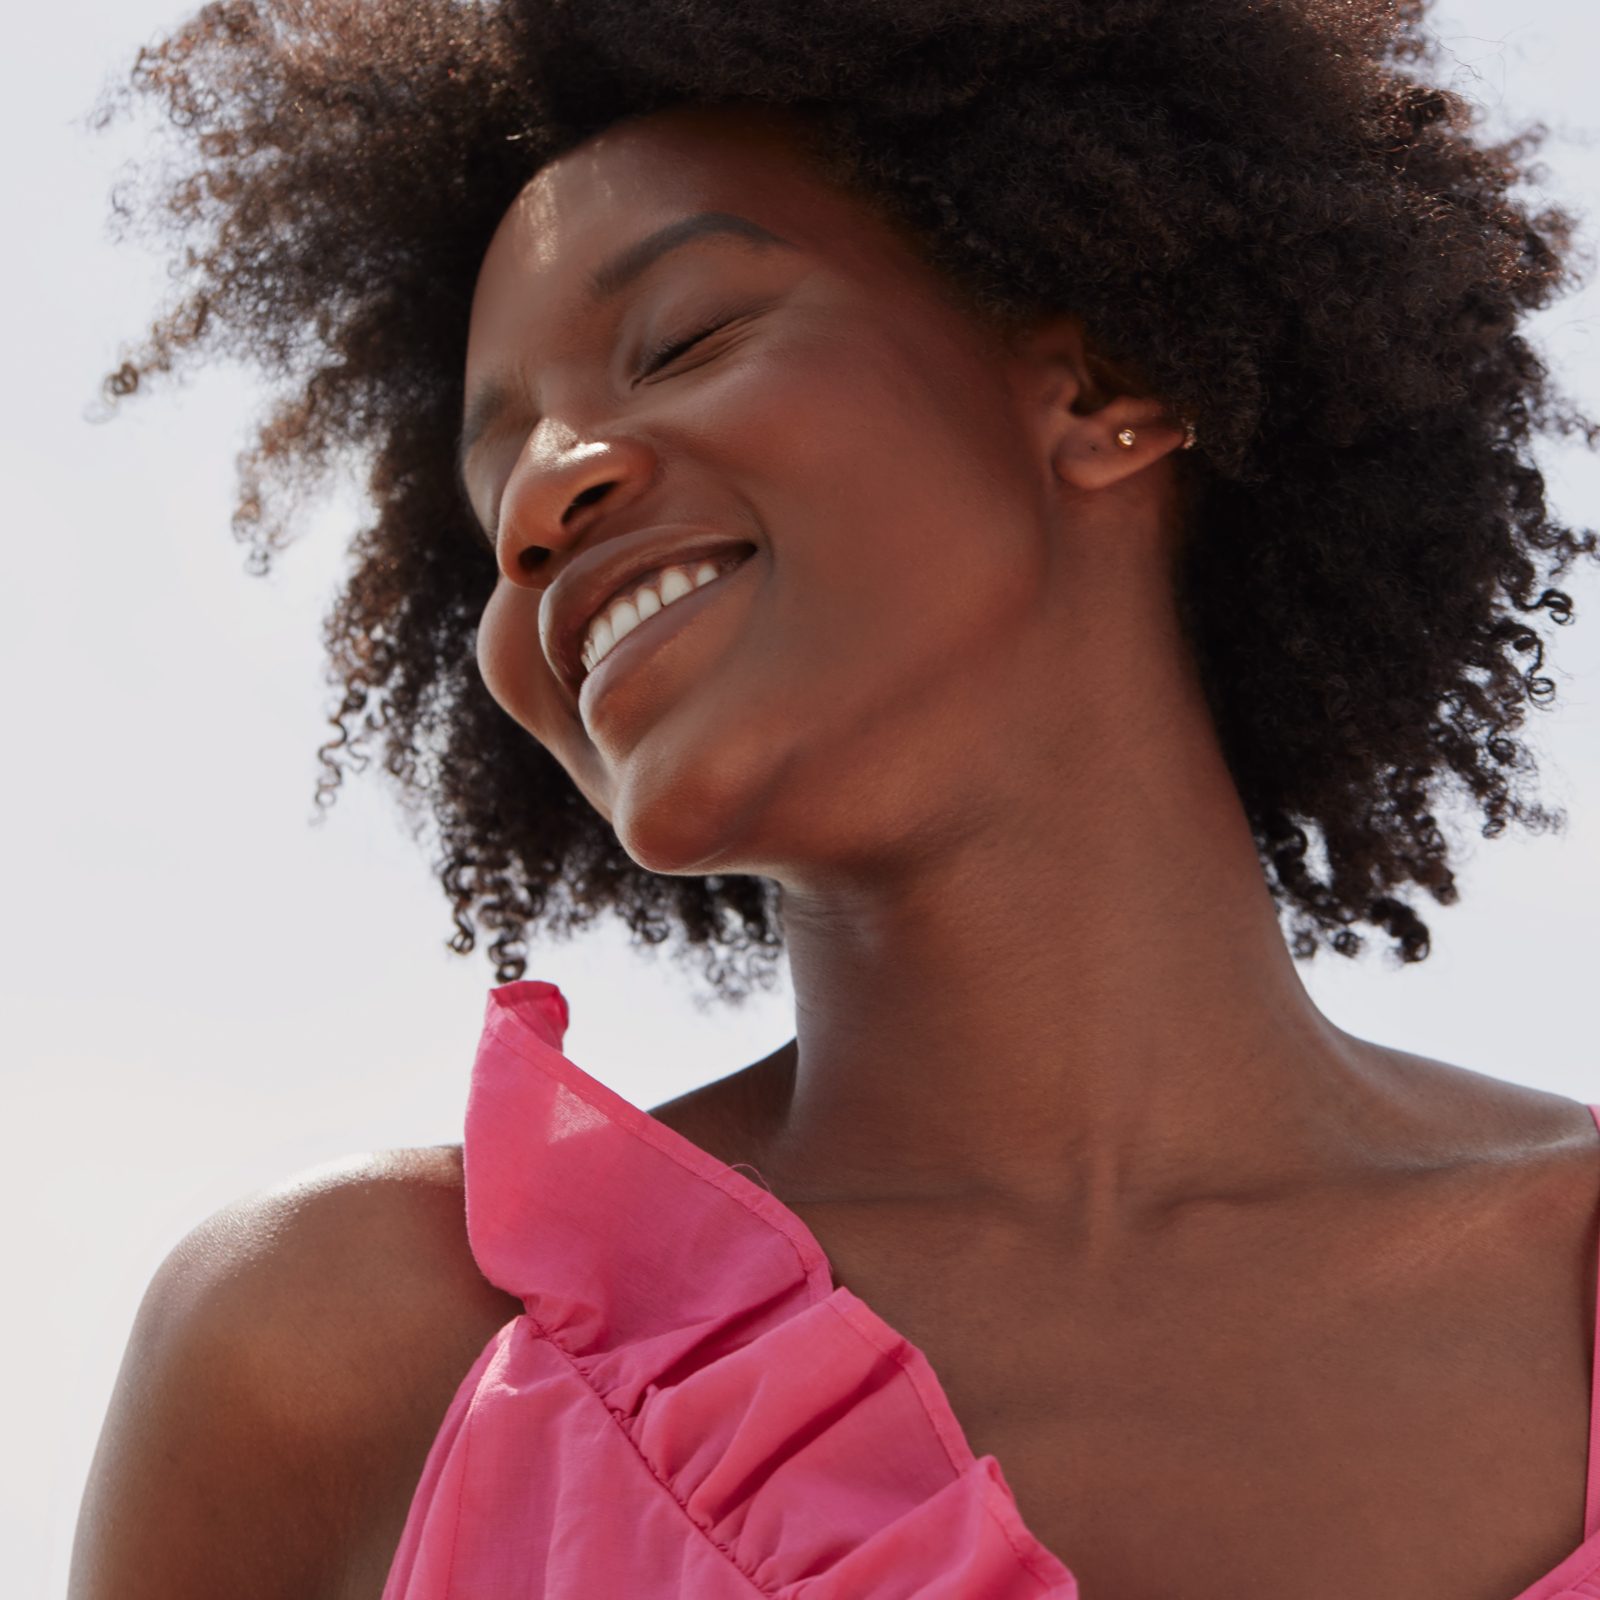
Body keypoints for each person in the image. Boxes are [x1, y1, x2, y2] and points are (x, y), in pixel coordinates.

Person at [70, 1, 1600, 1596]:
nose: (539, 501)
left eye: (681, 340)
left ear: (1109, 384)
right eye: (490, 496)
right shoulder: (351, 1357)